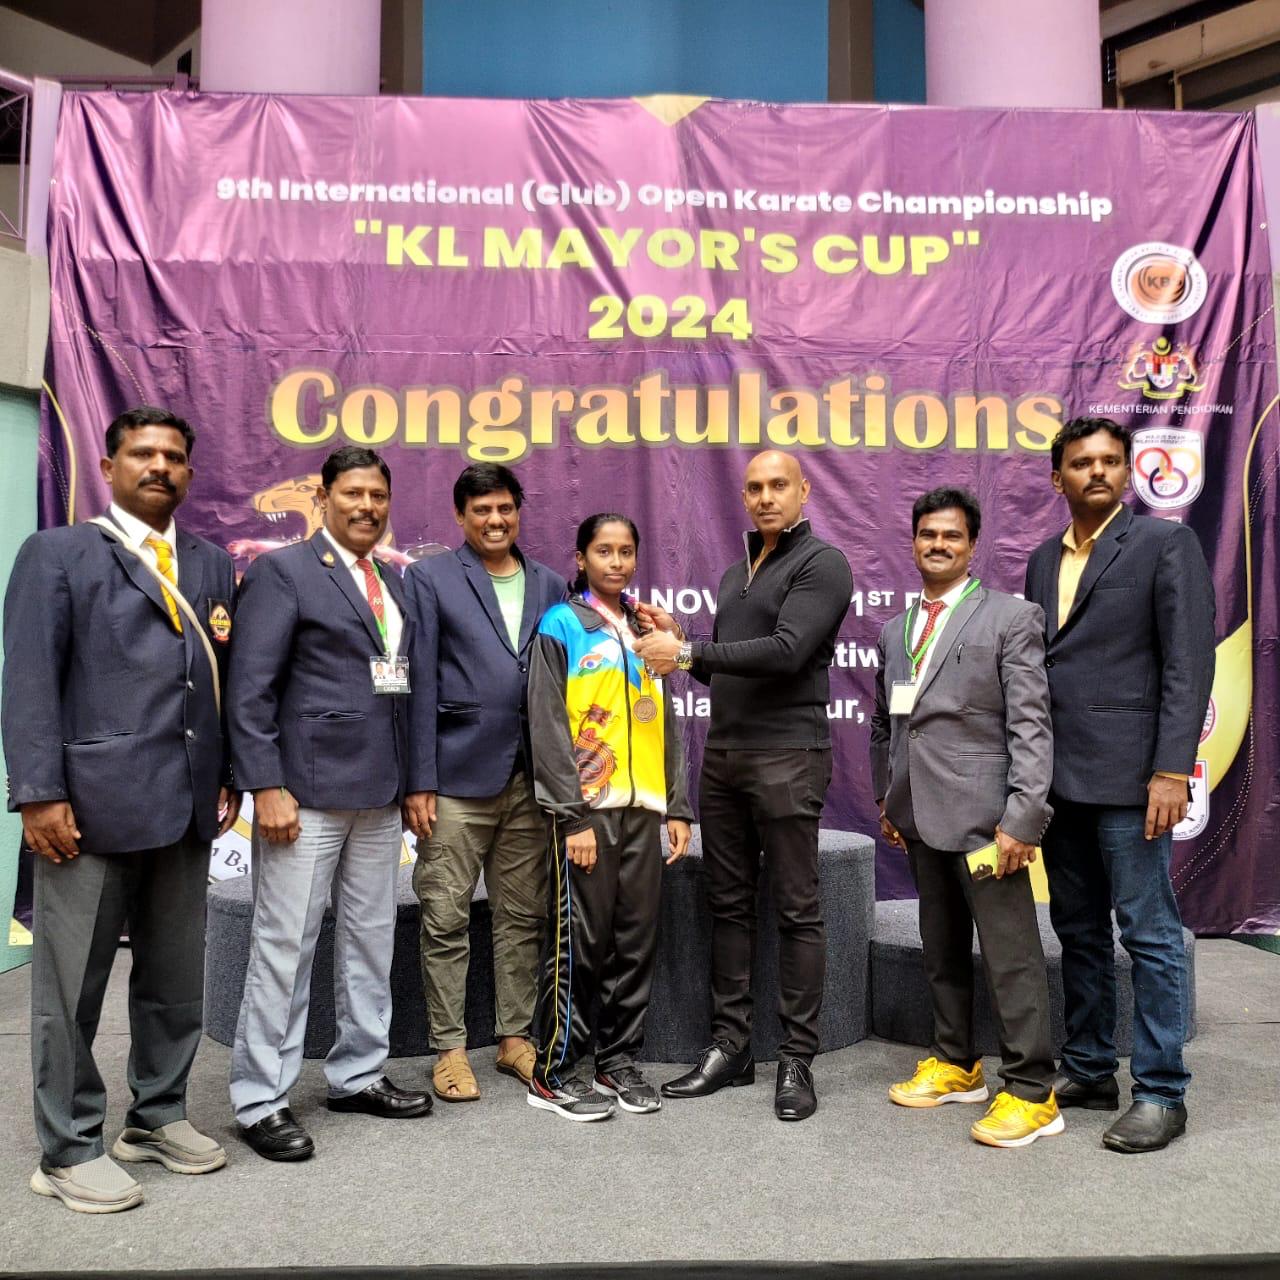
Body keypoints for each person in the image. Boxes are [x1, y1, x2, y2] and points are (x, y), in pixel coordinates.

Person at [2, 406, 238, 1213]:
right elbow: (28, 680)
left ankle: (157, 1116)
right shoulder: (58, 553)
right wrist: (39, 794)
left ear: (190, 473)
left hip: (186, 805)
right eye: (142, 453)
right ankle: (68, 1149)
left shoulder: (209, 563)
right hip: (87, 810)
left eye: (174, 455)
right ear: (109, 468)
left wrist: (225, 773)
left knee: (175, 980)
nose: (159, 466)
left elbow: (216, 679)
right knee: (71, 990)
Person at [228, 445, 430, 1162]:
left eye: (378, 496)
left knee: (371, 941)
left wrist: (412, 783)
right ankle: (260, 1100)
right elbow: (249, 687)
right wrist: (265, 785)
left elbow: (402, 688)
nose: (367, 507)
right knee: (285, 947)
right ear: (323, 497)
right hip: (302, 795)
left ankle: (358, 1074)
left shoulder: (393, 580)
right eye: (353, 494)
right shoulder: (283, 571)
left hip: (379, 793)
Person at [637, 450, 852, 1122]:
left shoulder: (823, 564)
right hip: (725, 757)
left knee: (796, 909)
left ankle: (797, 1058)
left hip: (789, 755)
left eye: (778, 485)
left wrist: (688, 651)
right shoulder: (736, 574)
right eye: (754, 487)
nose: (765, 497)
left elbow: (787, 653)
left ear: (804, 491)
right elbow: (726, 670)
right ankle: (731, 1048)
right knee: (727, 905)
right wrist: (683, 642)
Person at [1024, 416, 1215, 1154]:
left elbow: (1187, 664)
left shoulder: (1165, 544)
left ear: (1128, 471)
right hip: (1059, 781)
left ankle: (1163, 1092)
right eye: (1081, 463)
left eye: (1109, 460)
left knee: (1149, 934)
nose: (1097, 471)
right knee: (1077, 931)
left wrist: (1171, 769)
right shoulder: (1043, 559)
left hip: (1135, 779)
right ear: (1058, 478)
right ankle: (1091, 1067)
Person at [870, 487, 1061, 1148]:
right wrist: (888, 798)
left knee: (1011, 958)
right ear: (913, 542)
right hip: (919, 817)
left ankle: (1033, 1092)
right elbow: (886, 724)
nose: (939, 544)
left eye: (952, 535)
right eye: (928, 534)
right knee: (942, 948)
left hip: (988, 823)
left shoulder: (1011, 617)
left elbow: (1031, 725)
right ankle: (957, 1063)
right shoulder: (896, 630)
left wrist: (1023, 818)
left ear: (972, 545)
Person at [402, 463, 566, 1102]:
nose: (495, 520)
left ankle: (513, 1039)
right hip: (454, 779)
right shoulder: (431, 578)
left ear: (518, 511)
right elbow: (417, 679)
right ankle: (448, 1048)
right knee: (445, 916)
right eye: (481, 510)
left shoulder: (550, 583)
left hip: (530, 779)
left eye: (505, 508)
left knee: (522, 915)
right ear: (460, 516)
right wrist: (419, 780)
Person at [525, 514, 693, 1121]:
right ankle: (554, 1072)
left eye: (625, 552)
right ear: (581, 558)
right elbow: (546, 726)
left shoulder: (648, 632)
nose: (616, 562)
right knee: (580, 944)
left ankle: (617, 1060)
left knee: (634, 942)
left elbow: (664, 721)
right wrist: (571, 818)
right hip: (588, 812)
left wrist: (677, 805)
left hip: (643, 809)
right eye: (603, 551)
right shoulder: (562, 625)